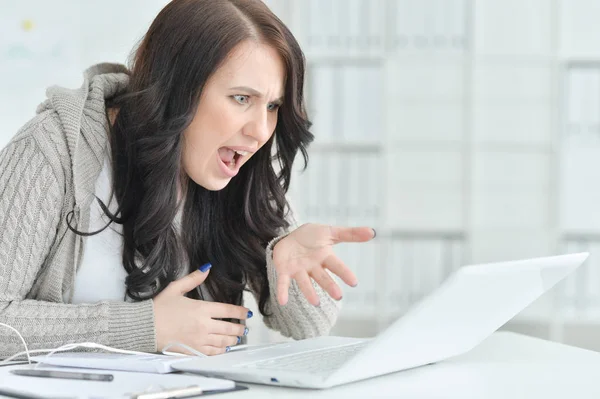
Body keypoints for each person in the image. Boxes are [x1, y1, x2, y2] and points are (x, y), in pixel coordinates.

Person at [0, 0, 375, 359]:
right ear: (177, 89)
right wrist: (145, 328)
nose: (261, 131)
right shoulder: (51, 150)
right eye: (241, 98)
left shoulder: (235, 167)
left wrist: (283, 259)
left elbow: (311, 326)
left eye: (272, 106)